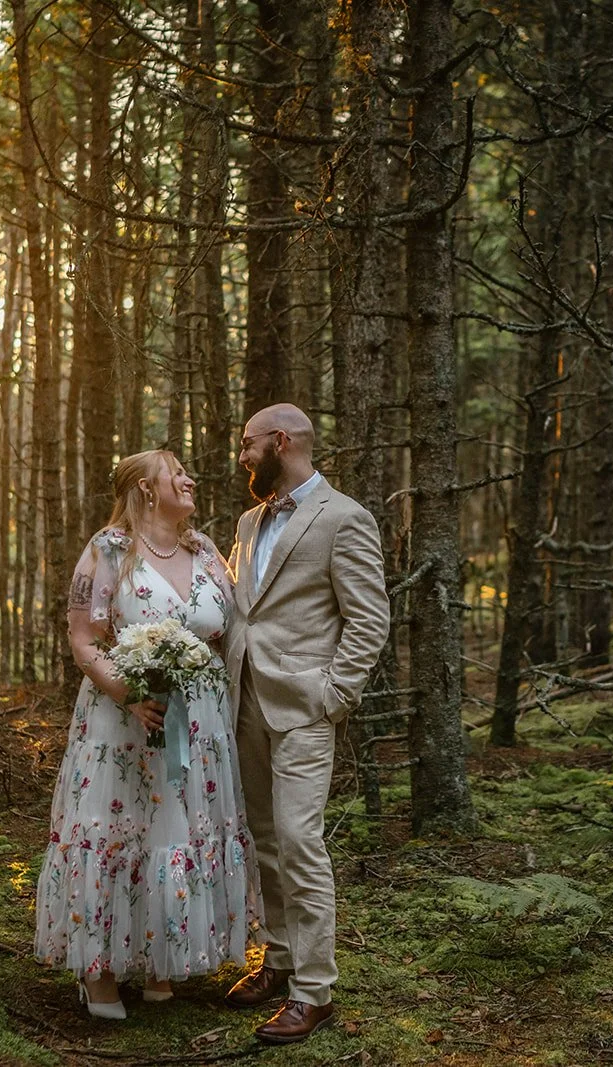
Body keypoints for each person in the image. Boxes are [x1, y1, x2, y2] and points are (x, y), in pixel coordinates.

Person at [34, 449, 261, 1020]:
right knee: (120, 831)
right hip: (123, 722)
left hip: (201, 722)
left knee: (180, 830)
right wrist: (132, 696)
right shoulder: (108, 550)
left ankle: (162, 958)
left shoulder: (206, 550)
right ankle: (100, 970)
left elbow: (230, 631)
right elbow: (85, 640)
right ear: (142, 487)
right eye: (175, 471)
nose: (189, 478)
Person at [222, 403, 391, 1044]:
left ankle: (314, 991)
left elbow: (368, 618)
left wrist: (333, 695)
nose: (241, 455)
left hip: (303, 709)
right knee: (265, 839)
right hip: (246, 703)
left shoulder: (344, 519)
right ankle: (281, 960)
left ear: (281, 441)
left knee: (299, 840)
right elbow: (248, 609)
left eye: (247, 443)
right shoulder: (247, 520)